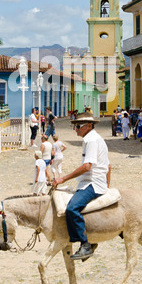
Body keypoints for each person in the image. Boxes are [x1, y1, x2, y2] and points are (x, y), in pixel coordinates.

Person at [52, 111, 111, 261]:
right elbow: (108, 166)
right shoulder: (91, 139)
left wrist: (63, 179)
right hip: (92, 181)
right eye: (75, 126)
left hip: (92, 182)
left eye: (78, 126)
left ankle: (85, 244)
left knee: (72, 208)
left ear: (89, 126)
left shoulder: (91, 140)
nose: (75, 129)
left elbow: (86, 167)